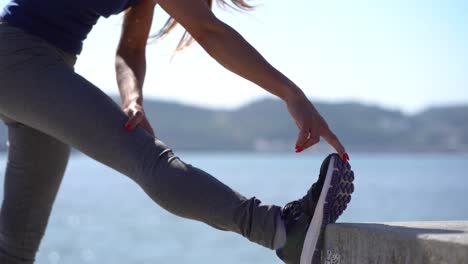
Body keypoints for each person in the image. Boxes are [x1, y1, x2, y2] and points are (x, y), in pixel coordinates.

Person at [0, 0, 354, 263]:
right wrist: (292, 94)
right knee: (149, 160)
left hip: (32, 65)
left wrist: (132, 97)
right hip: (19, 58)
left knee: (15, 247)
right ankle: (282, 230)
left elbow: (131, 48)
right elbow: (209, 31)